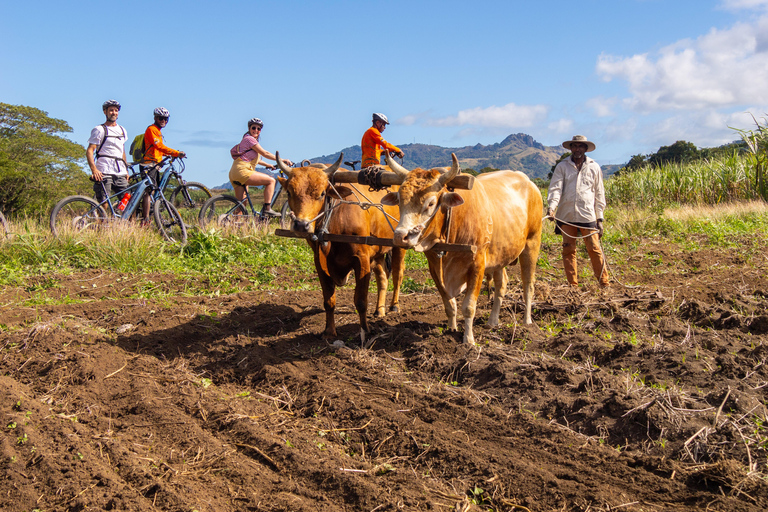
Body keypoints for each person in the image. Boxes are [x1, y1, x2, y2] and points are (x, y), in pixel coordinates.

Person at [547, 135, 609, 287]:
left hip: (587, 214)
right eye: (574, 146)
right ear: (571, 148)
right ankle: (572, 285)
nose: (577, 149)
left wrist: (599, 218)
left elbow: (599, 193)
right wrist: (552, 207)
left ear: (585, 149)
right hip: (566, 215)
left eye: (580, 146)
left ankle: (604, 283)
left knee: (594, 249)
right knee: (568, 250)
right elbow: (555, 189)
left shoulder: (594, 167)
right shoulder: (562, 166)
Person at [229, 118, 293, 215]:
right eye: (253, 128)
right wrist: (282, 160)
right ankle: (267, 208)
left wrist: (268, 165)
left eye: (258, 129)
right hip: (242, 171)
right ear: (249, 128)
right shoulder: (249, 139)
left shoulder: (247, 140)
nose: (256, 130)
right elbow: (265, 153)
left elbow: (257, 160)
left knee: (241, 205)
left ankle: (233, 223)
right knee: (271, 181)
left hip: (235, 172)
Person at [140, 107, 186, 224]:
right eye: (161, 118)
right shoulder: (152, 129)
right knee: (149, 191)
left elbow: (158, 150)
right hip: (149, 164)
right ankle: (145, 219)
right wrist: (176, 152)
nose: (163, 121)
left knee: (156, 191)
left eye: (166, 119)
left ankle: (156, 216)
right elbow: (159, 146)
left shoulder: (158, 131)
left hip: (155, 165)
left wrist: (171, 154)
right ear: (155, 118)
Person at [86, 100, 129, 205]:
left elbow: (122, 151)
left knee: (128, 202)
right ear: (105, 112)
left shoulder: (122, 130)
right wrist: (94, 170)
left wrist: (126, 170)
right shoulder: (99, 129)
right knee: (103, 203)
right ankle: (100, 216)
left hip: (120, 171)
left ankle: (119, 215)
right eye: (111, 110)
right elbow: (90, 150)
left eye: (116, 110)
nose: (114, 113)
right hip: (104, 170)